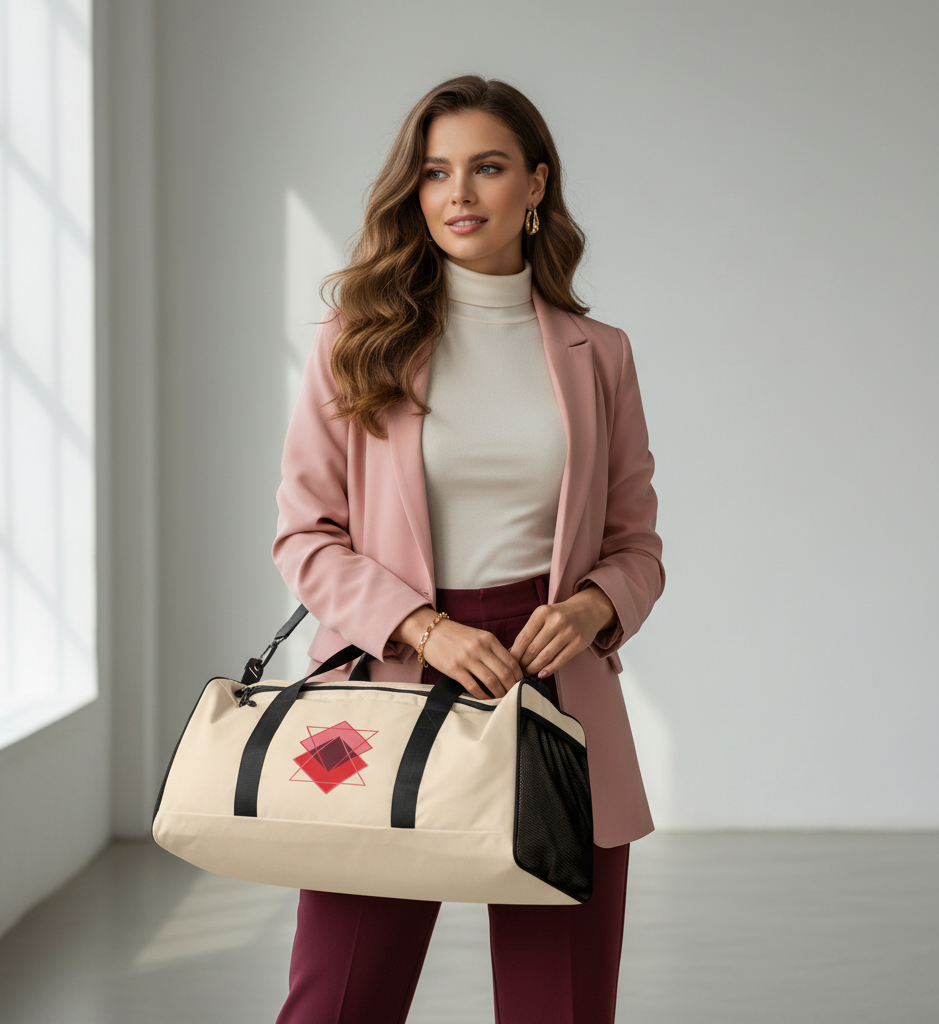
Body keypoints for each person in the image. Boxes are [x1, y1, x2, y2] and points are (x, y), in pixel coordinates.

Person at [271, 74, 664, 1024]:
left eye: (486, 168)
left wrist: (592, 607)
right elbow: (305, 536)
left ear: (535, 184)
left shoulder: (599, 355)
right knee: (337, 1002)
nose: (458, 193)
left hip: (554, 692)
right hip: (389, 681)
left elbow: (636, 545)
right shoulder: (356, 341)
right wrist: (423, 625)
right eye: (436, 172)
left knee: (558, 1008)